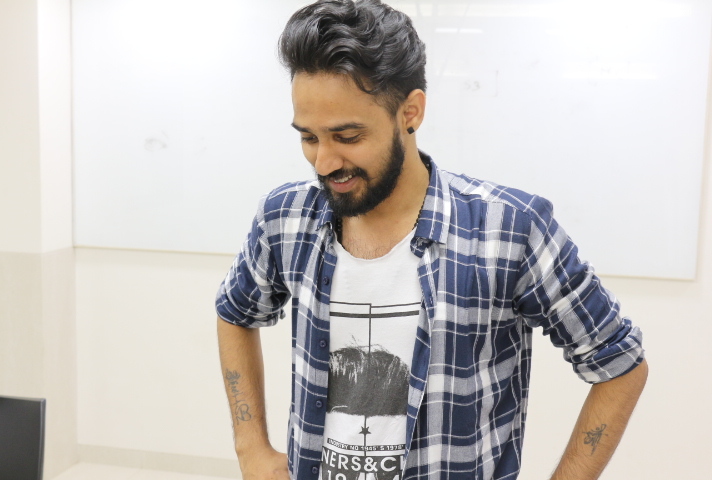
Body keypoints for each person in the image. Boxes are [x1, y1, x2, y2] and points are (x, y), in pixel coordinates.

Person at [215, 1, 648, 479]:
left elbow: (621, 364)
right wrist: (250, 447)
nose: (324, 162)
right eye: (309, 138)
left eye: (348, 136)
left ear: (411, 112)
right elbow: (234, 312)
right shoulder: (285, 217)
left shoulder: (509, 229)